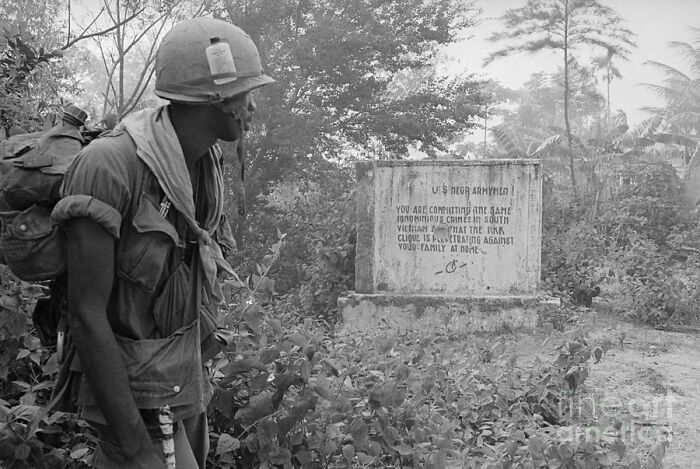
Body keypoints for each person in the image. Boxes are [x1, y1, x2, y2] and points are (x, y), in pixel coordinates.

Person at [50, 17, 274, 468]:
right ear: (216, 98)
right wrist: (134, 447)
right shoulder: (109, 167)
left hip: (181, 374)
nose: (252, 107)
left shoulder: (204, 161)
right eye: (246, 94)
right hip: (130, 389)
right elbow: (86, 314)